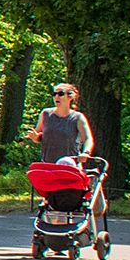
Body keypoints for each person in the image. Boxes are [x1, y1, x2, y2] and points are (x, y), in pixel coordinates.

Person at [29, 80, 106, 236]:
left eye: (60, 94)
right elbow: (39, 136)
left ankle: (68, 233)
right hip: (50, 167)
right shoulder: (46, 114)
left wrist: (86, 153)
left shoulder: (77, 117)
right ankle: (54, 235)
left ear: (71, 97)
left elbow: (88, 138)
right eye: (54, 94)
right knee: (53, 203)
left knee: (68, 201)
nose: (56, 97)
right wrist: (35, 137)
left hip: (69, 167)